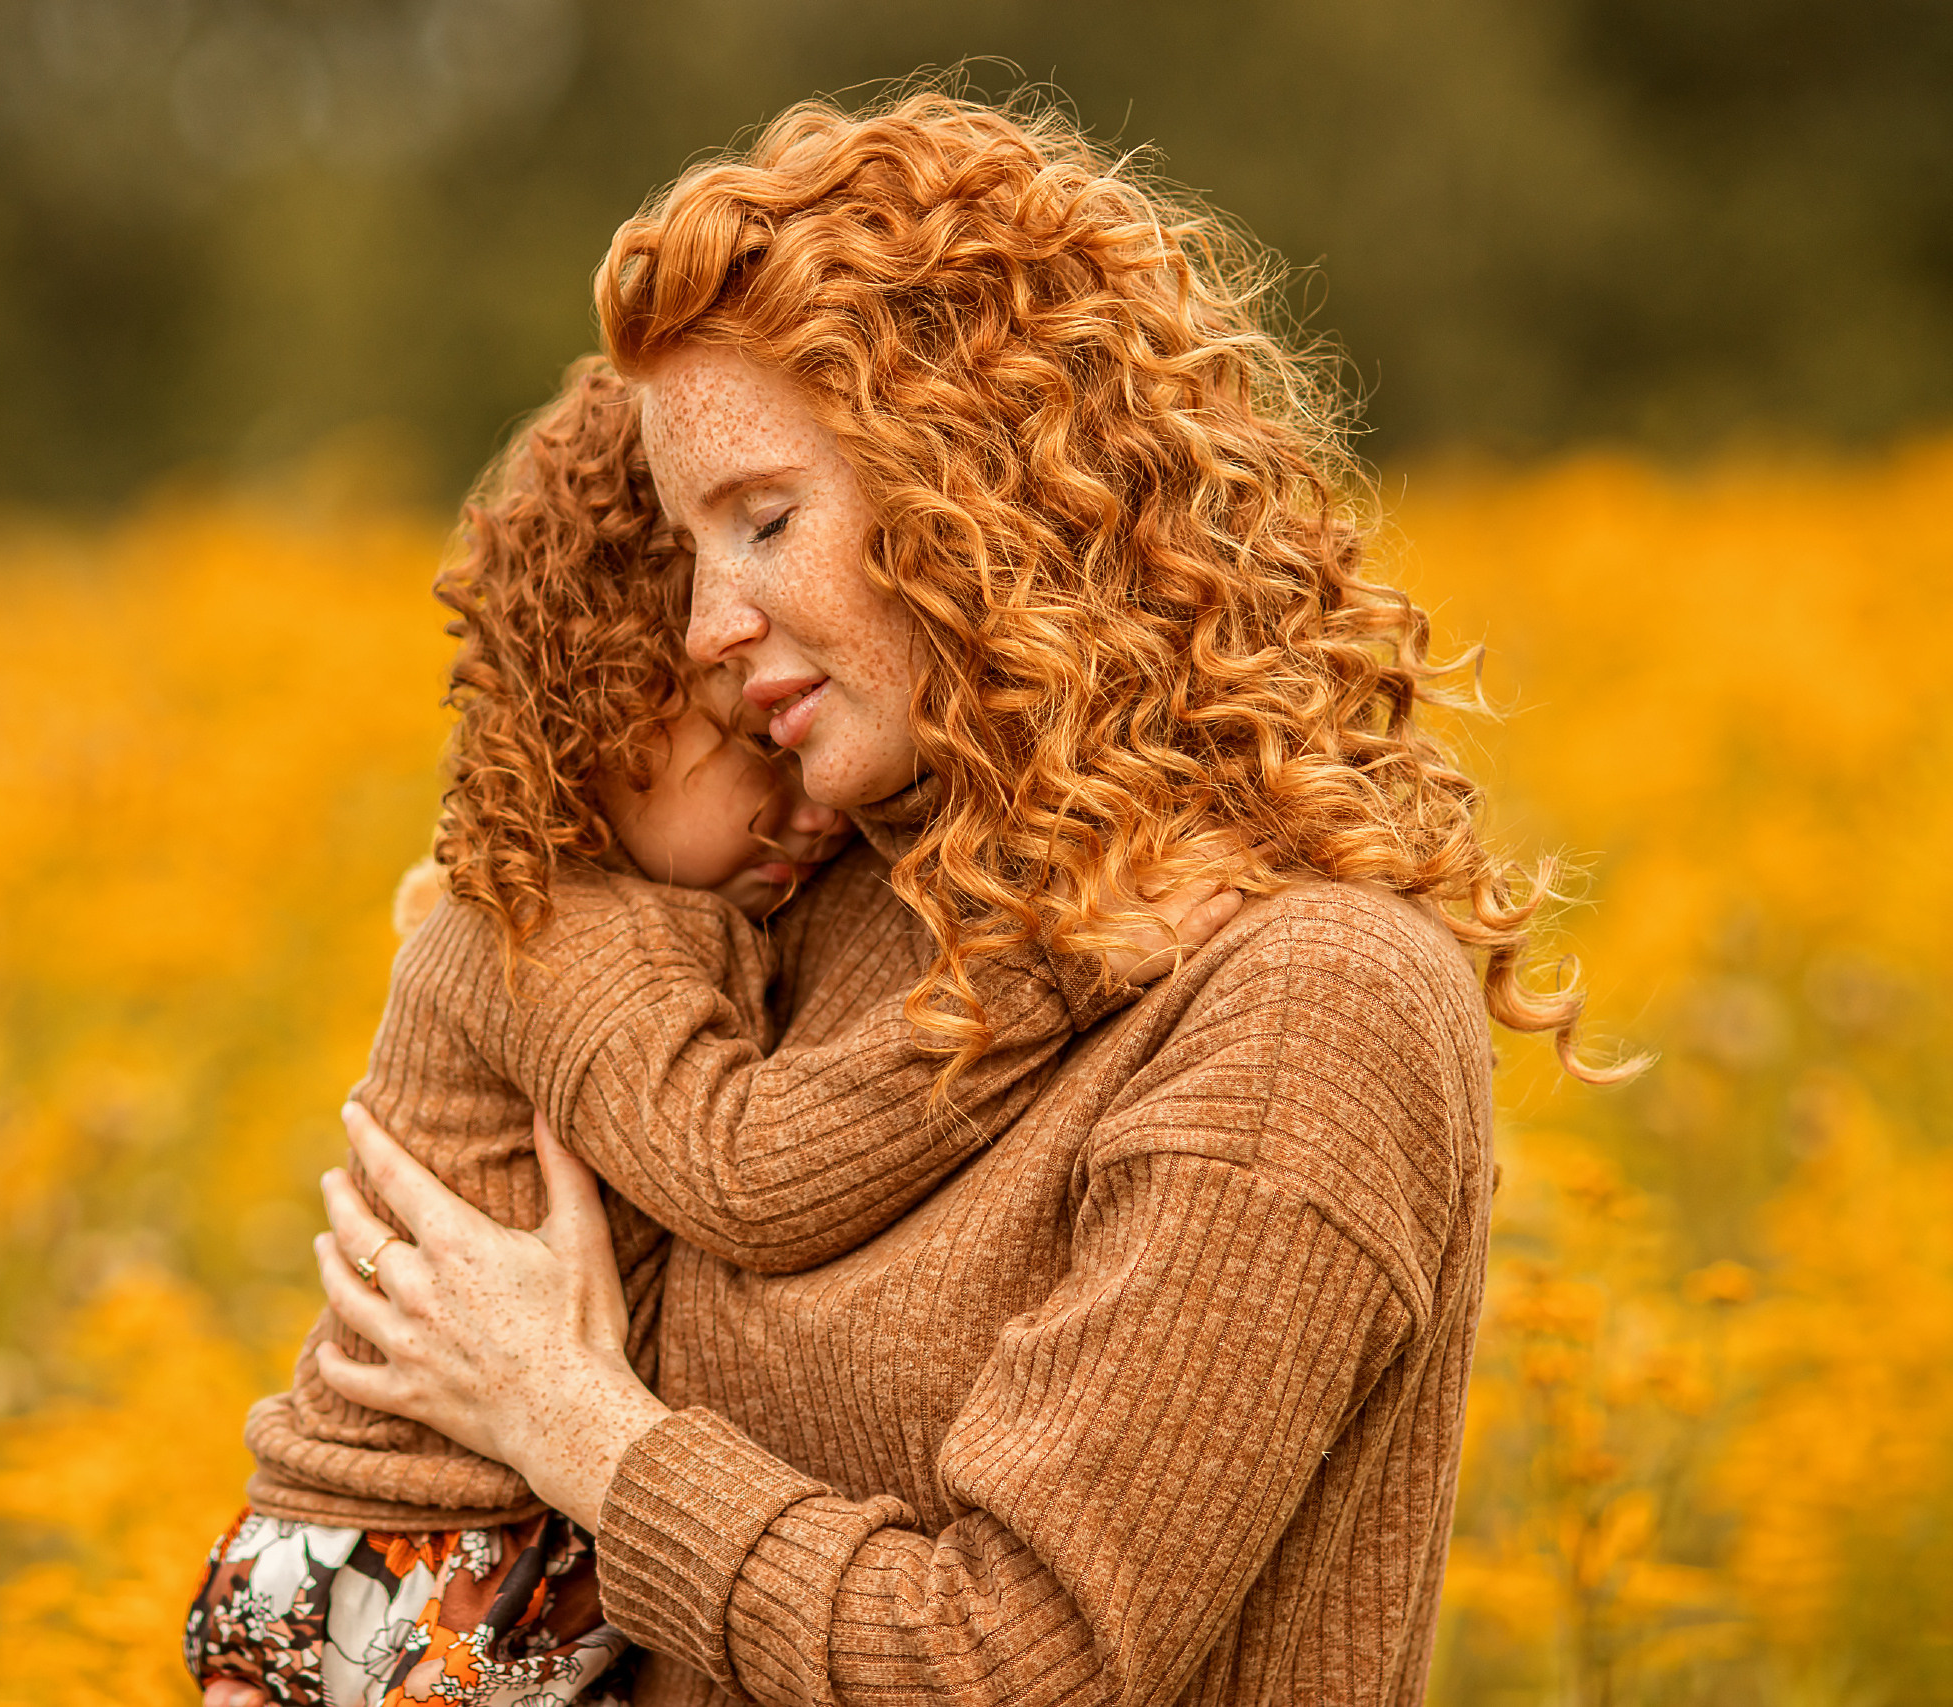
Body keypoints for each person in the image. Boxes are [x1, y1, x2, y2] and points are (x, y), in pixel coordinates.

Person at [273, 91, 1632, 1707]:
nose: (707, 623)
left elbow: (1010, 1662)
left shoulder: (1305, 1006)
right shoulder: (840, 889)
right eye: (688, 547)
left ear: (991, 487)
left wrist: (573, 1424)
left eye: (764, 520)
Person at [188, 358, 1238, 1705]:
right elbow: (746, 1174)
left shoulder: (697, 906)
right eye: (753, 753)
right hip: (419, 1551)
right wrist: (1062, 970)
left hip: (521, 1558)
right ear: (600, 723)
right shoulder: (545, 931)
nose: (808, 807)